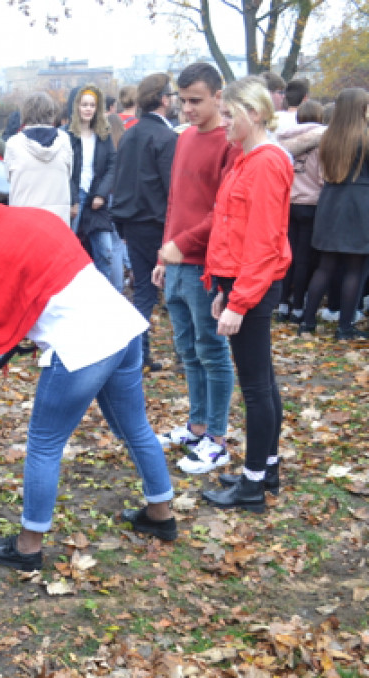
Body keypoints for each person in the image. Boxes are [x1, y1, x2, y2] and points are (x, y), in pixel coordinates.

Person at [0, 166, 175, 573]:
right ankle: (162, 514)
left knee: (44, 444)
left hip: (82, 348)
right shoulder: (32, 216)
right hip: (123, 329)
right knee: (135, 428)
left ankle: (27, 547)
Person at [200, 77, 293, 511]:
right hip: (242, 283)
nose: (223, 123)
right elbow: (229, 231)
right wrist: (221, 286)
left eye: (229, 114)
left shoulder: (265, 163)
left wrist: (239, 300)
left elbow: (262, 242)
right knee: (263, 382)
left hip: (254, 286)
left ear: (253, 114)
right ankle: (266, 468)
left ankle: (253, 484)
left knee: (256, 386)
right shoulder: (245, 158)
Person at [152, 62, 241, 475]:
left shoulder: (229, 143)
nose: (187, 109)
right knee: (188, 350)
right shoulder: (184, 138)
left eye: (196, 101)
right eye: (183, 100)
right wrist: (162, 256)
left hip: (207, 266)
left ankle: (218, 439)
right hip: (176, 263)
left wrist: (181, 245)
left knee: (211, 351)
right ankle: (199, 424)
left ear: (218, 97)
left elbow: (223, 211)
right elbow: (176, 202)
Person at [110, 73, 178, 371]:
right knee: (174, 291)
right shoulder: (165, 137)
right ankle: (182, 355)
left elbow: (121, 181)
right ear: (164, 99)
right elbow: (172, 187)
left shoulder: (131, 135)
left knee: (145, 292)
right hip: (159, 224)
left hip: (134, 222)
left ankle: (140, 354)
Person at [299, 88, 369, 341]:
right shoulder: (365, 137)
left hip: (330, 202)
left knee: (325, 266)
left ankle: (307, 322)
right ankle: (344, 327)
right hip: (359, 205)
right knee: (354, 269)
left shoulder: (328, 137)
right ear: (361, 108)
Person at [277, 99, 326, 324]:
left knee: (288, 256)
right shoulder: (321, 142)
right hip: (310, 203)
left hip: (288, 203)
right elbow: (323, 178)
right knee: (304, 259)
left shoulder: (284, 139)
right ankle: (298, 306)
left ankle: (282, 303)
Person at [68, 84, 122, 290]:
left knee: (106, 250)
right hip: (75, 196)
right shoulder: (67, 135)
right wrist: (73, 199)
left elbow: (112, 165)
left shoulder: (103, 135)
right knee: (70, 247)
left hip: (96, 199)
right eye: (84, 105)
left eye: (92, 105)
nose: (88, 109)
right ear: (76, 107)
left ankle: (106, 294)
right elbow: (66, 170)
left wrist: (101, 194)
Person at [5, 92, 74, 224]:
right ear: (51, 112)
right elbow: (69, 173)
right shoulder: (64, 140)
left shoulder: (13, 143)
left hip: (24, 218)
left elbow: (8, 177)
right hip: (57, 219)